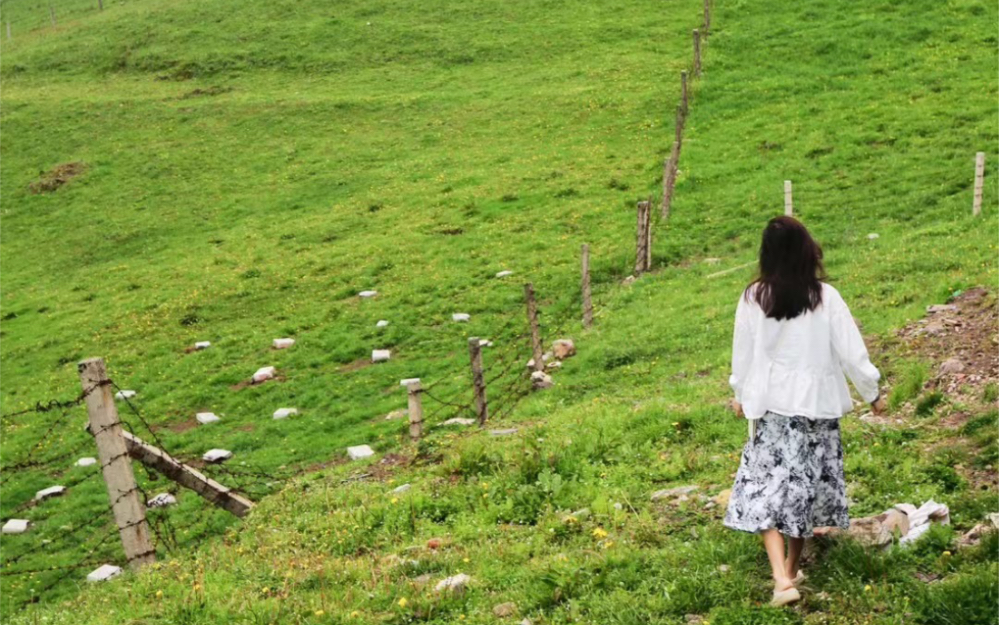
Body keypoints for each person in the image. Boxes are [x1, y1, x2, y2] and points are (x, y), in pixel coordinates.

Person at [722, 216, 886, 607]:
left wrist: (740, 393)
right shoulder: (826, 296)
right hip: (816, 408)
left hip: (772, 409)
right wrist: (873, 393)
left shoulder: (754, 297)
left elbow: (742, 353)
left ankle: (782, 579)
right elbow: (852, 351)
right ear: (807, 251)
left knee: (763, 490)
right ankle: (792, 571)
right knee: (803, 493)